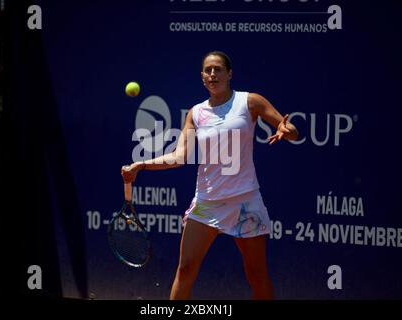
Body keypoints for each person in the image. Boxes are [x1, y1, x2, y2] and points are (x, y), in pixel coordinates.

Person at [121, 51, 298, 300]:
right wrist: (142, 164)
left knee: (257, 275)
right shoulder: (196, 113)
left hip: (244, 202)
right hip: (206, 203)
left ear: (229, 74)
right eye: (207, 70)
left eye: (218, 69)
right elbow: (179, 156)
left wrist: (287, 131)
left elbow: (287, 128)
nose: (212, 74)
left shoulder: (250, 102)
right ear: (202, 77)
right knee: (185, 270)